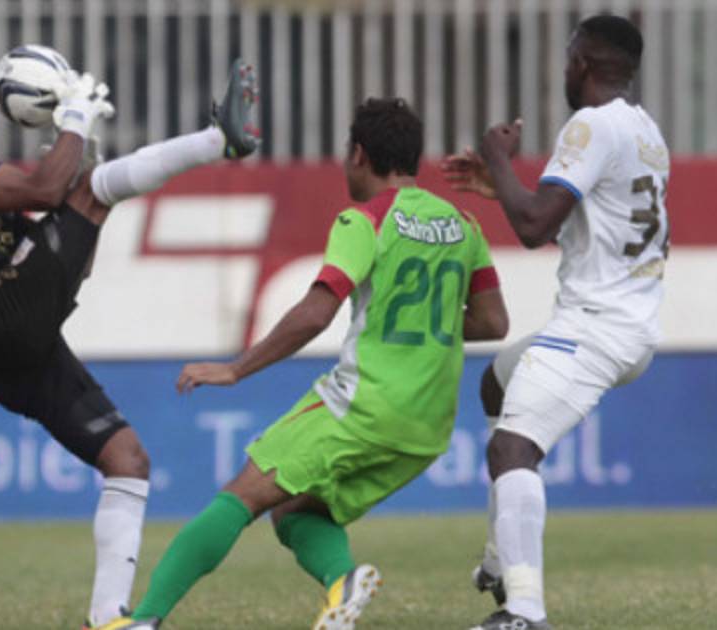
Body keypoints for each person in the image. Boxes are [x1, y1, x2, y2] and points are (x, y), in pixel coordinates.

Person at [105, 97, 508, 630]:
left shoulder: (364, 220)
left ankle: (144, 620)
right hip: (427, 428)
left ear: (359, 154)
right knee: (294, 510)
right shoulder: (463, 225)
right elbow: (493, 322)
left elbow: (317, 312)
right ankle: (343, 581)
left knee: (240, 497)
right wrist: (417, 327)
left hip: (362, 407)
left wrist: (235, 369)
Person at [0, 58, 259, 630]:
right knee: (90, 189)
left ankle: (106, 619)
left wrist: (84, 172)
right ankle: (219, 141)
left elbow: (73, 264)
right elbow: (47, 189)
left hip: (5, 348)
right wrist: (73, 120)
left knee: (127, 459)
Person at [441, 15, 669, 630]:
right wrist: (504, 187)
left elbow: (533, 226)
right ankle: (500, 558)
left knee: (512, 447)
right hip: (630, 323)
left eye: (569, 59)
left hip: (595, 327)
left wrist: (498, 158)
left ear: (584, 63)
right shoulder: (646, 131)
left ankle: (524, 611)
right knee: (497, 383)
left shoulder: (590, 125)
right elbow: (580, 224)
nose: (564, 71)